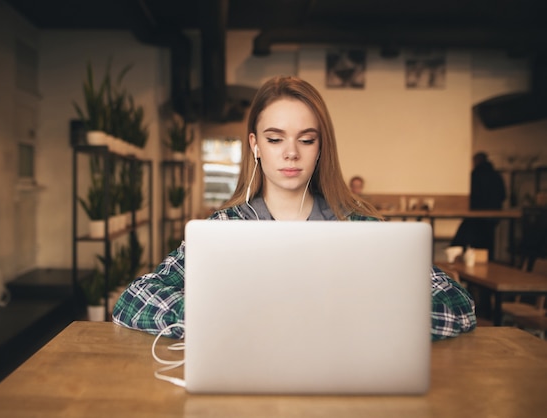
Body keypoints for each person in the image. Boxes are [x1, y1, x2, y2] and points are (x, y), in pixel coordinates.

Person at [113, 75, 476, 341]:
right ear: (255, 145)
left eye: (306, 139)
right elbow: (132, 300)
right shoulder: (223, 229)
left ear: (320, 148)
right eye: (275, 139)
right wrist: (214, 317)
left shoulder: (360, 228)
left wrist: (363, 319)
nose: (291, 153)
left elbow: (457, 304)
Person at [450, 152, 506, 258]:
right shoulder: (496, 175)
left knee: (466, 238)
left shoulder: (475, 175)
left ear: (477, 161)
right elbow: (503, 195)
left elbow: (472, 196)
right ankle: (488, 265)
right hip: (493, 217)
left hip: (476, 216)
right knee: (487, 244)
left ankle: (457, 261)